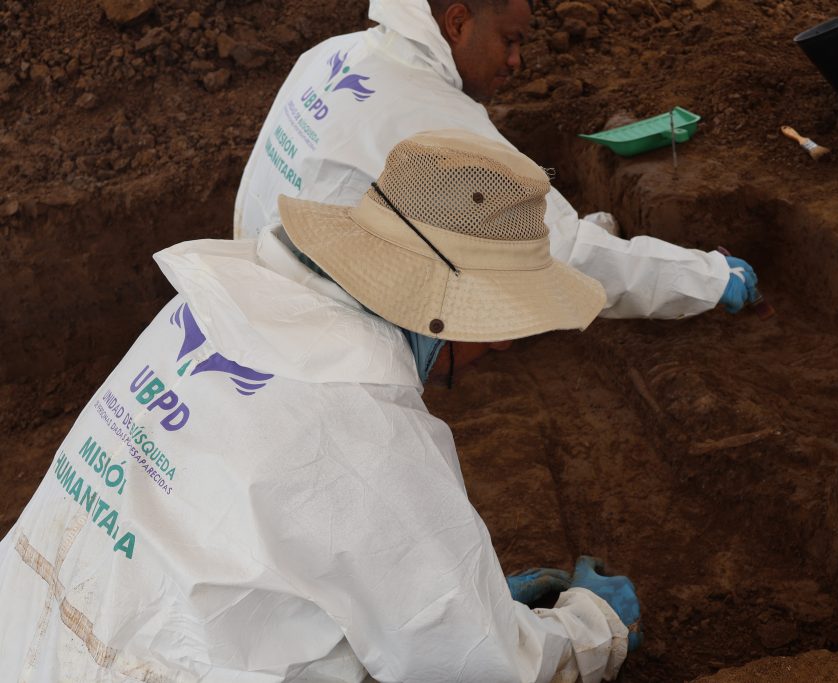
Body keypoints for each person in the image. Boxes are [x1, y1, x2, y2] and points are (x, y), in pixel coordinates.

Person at [0, 130, 642, 682]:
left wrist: (454, 599)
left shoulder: (208, 308)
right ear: (452, 311)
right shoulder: (369, 434)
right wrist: (590, 628)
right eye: (501, 320)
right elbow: (482, 665)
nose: (500, 343)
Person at [234, 0, 760, 321]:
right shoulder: (436, 124)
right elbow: (557, 254)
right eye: (509, 40)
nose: (516, 61)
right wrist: (707, 277)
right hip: (327, 330)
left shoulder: (335, 52)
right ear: (458, 21)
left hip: (249, 281)